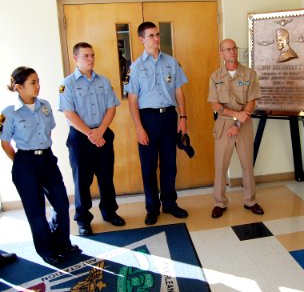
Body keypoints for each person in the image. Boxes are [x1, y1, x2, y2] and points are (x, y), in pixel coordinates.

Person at [0, 67, 80, 265]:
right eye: (32, 83)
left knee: (61, 203)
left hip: (47, 159)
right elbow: (5, 142)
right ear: (19, 87)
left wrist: (42, 154)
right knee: (35, 211)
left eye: (38, 81)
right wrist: (20, 163)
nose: (38, 86)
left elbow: (48, 132)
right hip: (25, 163)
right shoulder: (8, 113)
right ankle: (46, 250)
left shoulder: (44, 106)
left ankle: (62, 242)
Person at [124, 22, 189, 226]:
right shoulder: (135, 67)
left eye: (157, 34)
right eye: (151, 35)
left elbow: (179, 92)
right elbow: (132, 100)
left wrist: (183, 118)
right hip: (148, 120)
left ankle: (169, 203)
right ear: (141, 39)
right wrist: (139, 128)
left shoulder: (171, 62)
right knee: (149, 167)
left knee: (170, 164)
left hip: (169, 117)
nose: (156, 38)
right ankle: (152, 208)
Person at [59, 42, 125, 236]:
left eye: (92, 55)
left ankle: (110, 212)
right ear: (75, 58)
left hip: (103, 135)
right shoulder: (67, 84)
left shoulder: (103, 81)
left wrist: (101, 130)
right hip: (80, 138)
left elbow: (111, 107)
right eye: (86, 56)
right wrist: (90, 133)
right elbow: (69, 113)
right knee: (82, 181)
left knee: (106, 178)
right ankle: (83, 220)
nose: (90, 59)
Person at [208, 38, 264, 219]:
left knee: (247, 164)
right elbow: (215, 105)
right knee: (220, 166)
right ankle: (219, 202)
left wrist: (238, 122)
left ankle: (250, 201)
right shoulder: (215, 77)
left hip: (244, 124)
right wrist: (234, 116)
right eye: (227, 49)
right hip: (224, 124)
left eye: (234, 48)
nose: (232, 52)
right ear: (221, 53)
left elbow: (252, 101)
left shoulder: (249, 74)